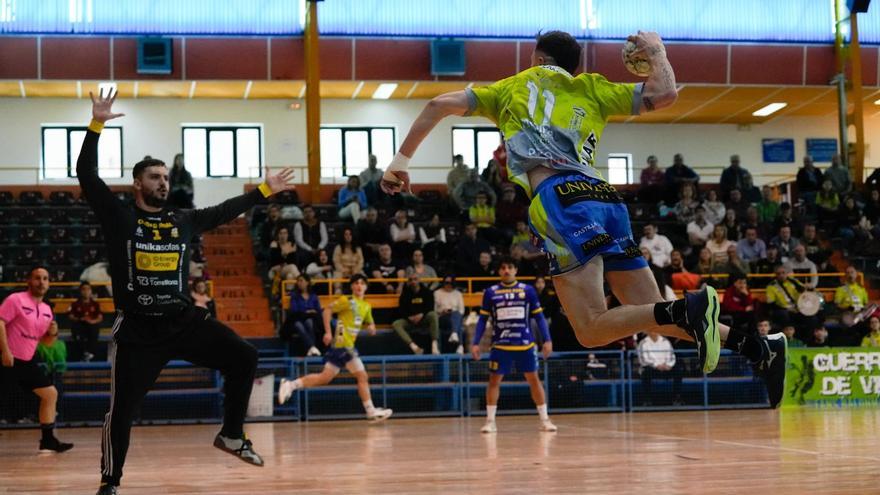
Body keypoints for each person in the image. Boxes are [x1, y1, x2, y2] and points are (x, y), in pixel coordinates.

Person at [381, 30, 784, 407]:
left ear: (537, 58)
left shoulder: (508, 88)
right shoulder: (591, 87)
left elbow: (437, 105)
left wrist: (399, 163)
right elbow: (664, 94)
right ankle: (761, 348)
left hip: (559, 200)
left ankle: (685, 309)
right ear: (571, 66)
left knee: (591, 329)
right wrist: (657, 50)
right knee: (651, 314)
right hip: (605, 199)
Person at [79, 92, 285, 494]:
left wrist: (263, 190)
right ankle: (110, 483)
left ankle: (230, 434)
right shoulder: (119, 217)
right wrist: (96, 125)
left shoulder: (183, 220)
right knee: (121, 412)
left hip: (183, 321)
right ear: (137, 183)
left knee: (245, 356)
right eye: (154, 177)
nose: (162, 182)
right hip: (138, 331)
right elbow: (86, 174)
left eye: (165, 177)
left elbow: (226, 210)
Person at [277, 274, 393, 422]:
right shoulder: (347, 300)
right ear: (351, 286)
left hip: (345, 345)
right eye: (356, 283)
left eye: (362, 283)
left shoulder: (366, 306)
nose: (359, 286)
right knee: (362, 376)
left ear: (366, 287)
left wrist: (371, 326)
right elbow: (327, 311)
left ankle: (291, 385)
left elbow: (369, 322)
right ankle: (370, 411)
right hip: (342, 343)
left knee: (325, 377)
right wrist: (328, 332)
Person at [470, 257, 556, 433]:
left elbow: (539, 317)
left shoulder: (528, 290)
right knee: (494, 381)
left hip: (525, 344)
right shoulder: (491, 292)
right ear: (499, 271)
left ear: (516, 270)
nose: (506, 270)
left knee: (534, 380)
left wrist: (547, 340)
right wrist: (475, 343)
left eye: (510, 267)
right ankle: (490, 421)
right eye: (503, 267)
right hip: (501, 345)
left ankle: (545, 419)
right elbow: (482, 319)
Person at [0, 267, 73, 453]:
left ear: (49, 284)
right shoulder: (16, 300)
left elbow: (46, 342)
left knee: (50, 394)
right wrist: (5, 350)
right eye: (37, 278)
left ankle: (47, 441)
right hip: (6, 358)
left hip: (26, 361)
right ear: (29, 281)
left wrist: (53, 334)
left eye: (45, 279)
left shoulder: (47, 310)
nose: (41, 282)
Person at [392, 273, 441, 355]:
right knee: (396, 324)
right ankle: (414, 347)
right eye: (410, 280)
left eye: (415, 279)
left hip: (424, 319)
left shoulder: (427, 292)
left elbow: (430, 307)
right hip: (410, 321)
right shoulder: (405, 294)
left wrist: (422, 315)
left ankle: (434, 345)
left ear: (419, 280)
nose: (413, 281)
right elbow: (401, 309)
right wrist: (409, 317)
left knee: (433, 315)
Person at [282, 274, 323, 357]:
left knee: (309, 322)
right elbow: (294, 310)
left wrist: (312, 312)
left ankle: (311, 349)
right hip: (298, 318)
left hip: (312, 319)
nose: (299, 283)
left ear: (307, 282)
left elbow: (318, 310)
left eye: (301, 281)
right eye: (298, 281)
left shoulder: (313, 296)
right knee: (298, 325)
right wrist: (307, 312)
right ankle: (312, 347)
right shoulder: (295, 296)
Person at [637, 332, 681, 406]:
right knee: (646, 372)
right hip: (652, 368)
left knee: (678, 371)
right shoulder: (643, 343)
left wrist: (668, 365)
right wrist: (656, 365)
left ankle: (676, 398)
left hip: (665, 368)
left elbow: (672, 356)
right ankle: (647, 399)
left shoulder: (665, 341)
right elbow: (643, 360)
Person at [69, 281, 103, 362]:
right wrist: (80, 319)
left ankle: (89, 353)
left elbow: (100, 317)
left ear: (91, 291)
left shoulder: (95, 304)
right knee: (76, 330)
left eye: (88, 289)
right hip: (80, 324)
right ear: (80, 291)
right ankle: (83, 354)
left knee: (95, 328)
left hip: (91, 325)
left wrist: (92, 321)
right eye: (84, 289)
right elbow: (70, 316)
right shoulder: (75, 304)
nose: (86, 291)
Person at [434, 275, 465, 355]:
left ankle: (455, 335)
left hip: (455, 317)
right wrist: (442, 311)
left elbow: (462, 310)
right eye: (446, 282)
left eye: (450, 283)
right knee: (458, 322)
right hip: (442, 317)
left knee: (456, 314)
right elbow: (434, 310)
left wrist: (454, 313)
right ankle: (460, 345)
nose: (448, 284)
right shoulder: (437, 293)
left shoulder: (458, 294)